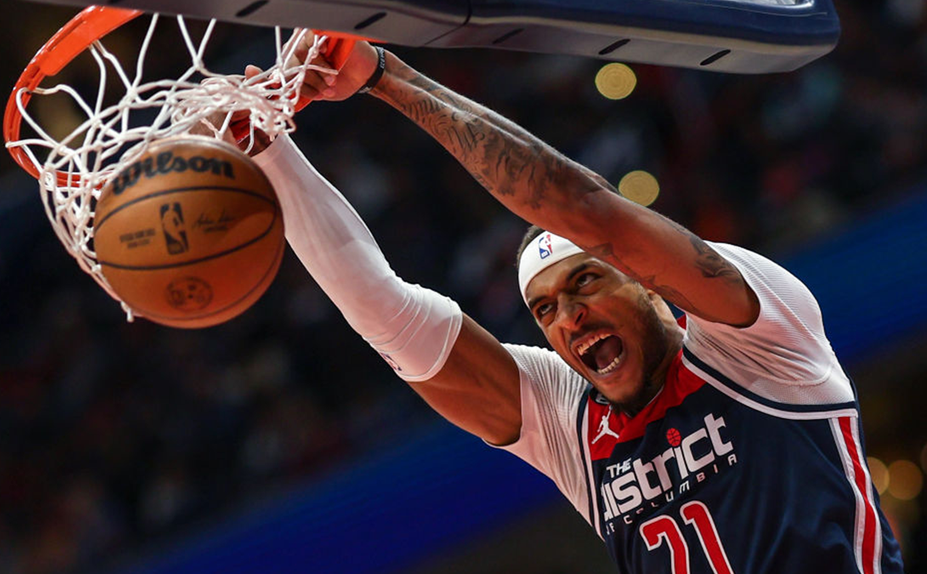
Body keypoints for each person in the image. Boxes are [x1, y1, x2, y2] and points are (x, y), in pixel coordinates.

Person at [243, 35, 904, 573]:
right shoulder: (571, 421)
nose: (567, 318)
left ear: (646, 279)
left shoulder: (755, 333)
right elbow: (389, 315)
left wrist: (385, 75)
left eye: (585, 283)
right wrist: (270, 151)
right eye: (544, 309)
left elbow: (585, 210)